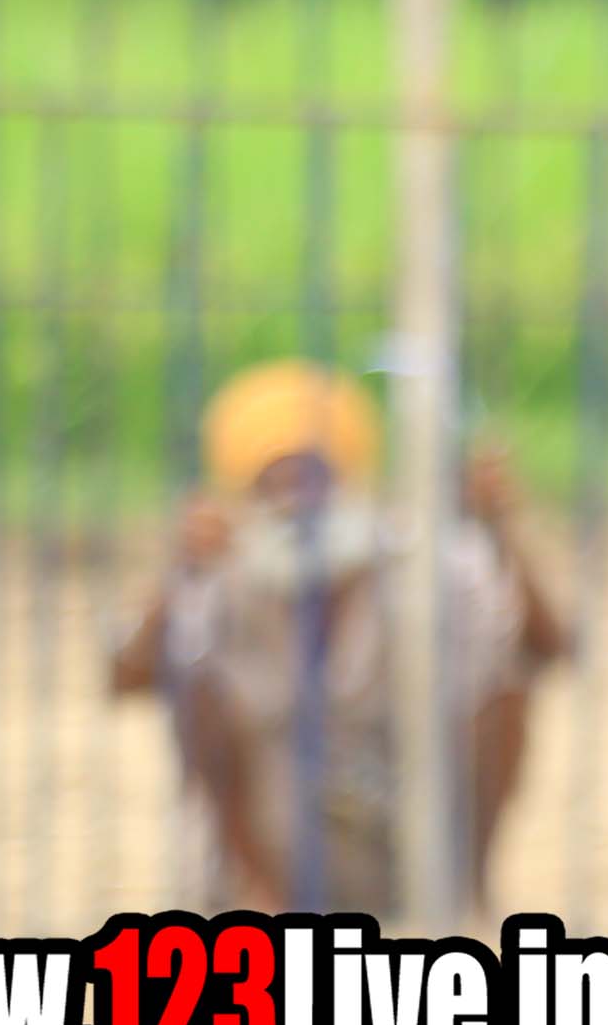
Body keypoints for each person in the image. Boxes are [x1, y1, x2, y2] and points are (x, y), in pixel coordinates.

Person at [108, 359, 569, 917]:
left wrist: (500, 534)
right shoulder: (224, 578)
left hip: (405, 827)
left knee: (505, 691)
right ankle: (272, 908)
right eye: (274, 484)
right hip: (279, 837)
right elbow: (125, 676)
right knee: (196, 698)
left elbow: (549, 648)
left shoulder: (418, 563)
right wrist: (179, 572)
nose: (296, 502)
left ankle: (464, 894)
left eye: (312, 479)